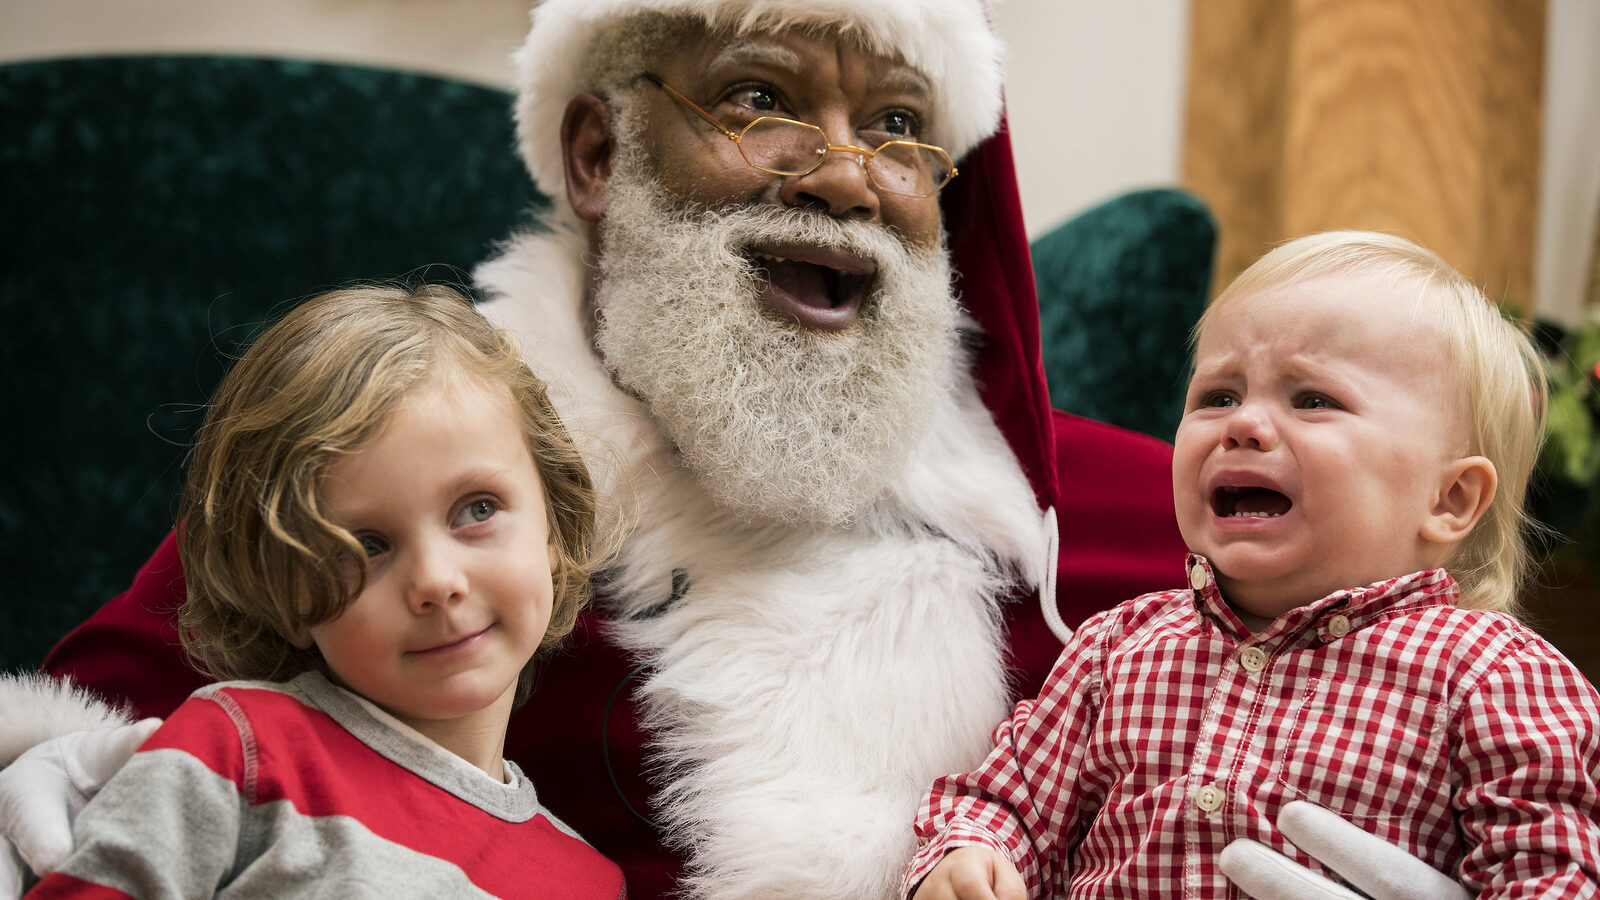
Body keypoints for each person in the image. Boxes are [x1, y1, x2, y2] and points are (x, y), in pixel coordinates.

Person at [0, 3, 1478, 898]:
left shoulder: (1120, 532)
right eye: (762, 96)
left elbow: (1450, 707)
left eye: (901, 127)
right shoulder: (403, 484)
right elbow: (119, 712)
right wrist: (58, 789)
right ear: (598, 154)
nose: (844, 172)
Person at [902, 231, 1600, 900]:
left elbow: (1553, 871)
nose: (1243, 423)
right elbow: (1006, 802)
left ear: (1449, 499)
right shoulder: (1113, 649)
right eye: (1218, 396)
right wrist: (973, 853)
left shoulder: (1496, 677)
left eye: (1312, 399)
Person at [21, 284, 626, 899]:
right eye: (365, 546)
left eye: (478, 509)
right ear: (286, 596)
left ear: (554, 523)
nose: (437, 582)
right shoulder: (238, 752)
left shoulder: (591, 884)